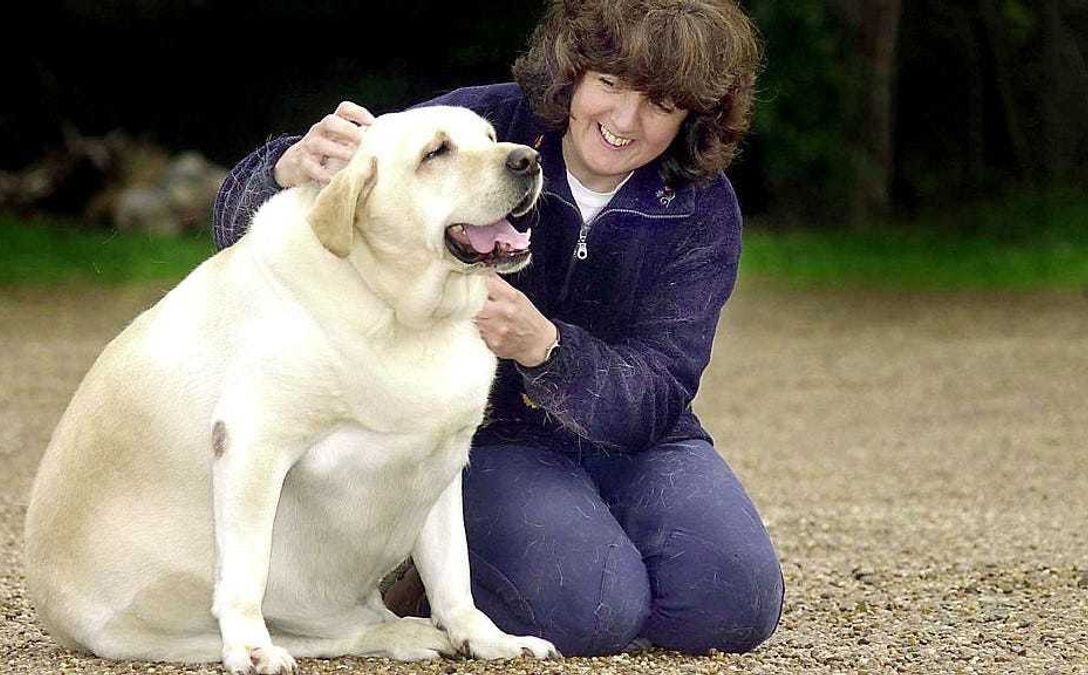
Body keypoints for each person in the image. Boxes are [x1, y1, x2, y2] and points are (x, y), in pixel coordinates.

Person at [212, 0, 782, 658]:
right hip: (487, 438)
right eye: (610, 83)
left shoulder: (704, 209)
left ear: (693, 116)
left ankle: (557, 547)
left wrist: (544, 347)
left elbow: (657, 392)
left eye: (660, 103)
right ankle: (438, 569)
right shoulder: (477, 128)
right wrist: (285, 169)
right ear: (573, 72)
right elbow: (243, 227)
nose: (625, 121)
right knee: (595, 610)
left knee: (736, 602)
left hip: (638, 437)